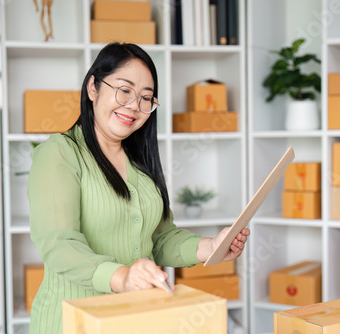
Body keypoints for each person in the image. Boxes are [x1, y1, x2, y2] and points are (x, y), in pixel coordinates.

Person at [27, 42, 250, 333]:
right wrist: (123, 277)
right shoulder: (60, 153)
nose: (134, 105)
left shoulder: (140, 162)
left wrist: (209, 247)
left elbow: (159, 239)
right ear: (93, 87)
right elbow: (60, 245)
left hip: (134, 319)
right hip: (72, 322)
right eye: (124, 90)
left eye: (146, 98)